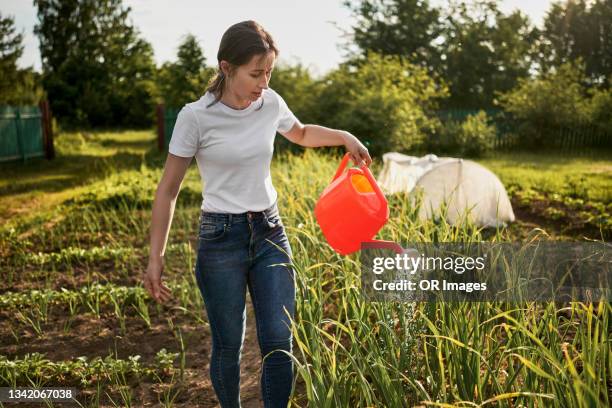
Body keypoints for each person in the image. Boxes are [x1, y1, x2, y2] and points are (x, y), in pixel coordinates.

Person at [143, 20, 371, 408]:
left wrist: (345, 137)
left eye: (269, 72)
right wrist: (155, 257)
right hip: (220, 240)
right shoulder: (195, 117)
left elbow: (299, 133)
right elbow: (168, 191)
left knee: (280, 342)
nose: (263, 82)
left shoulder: (270, 103)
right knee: (229, 345)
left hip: (269, 232)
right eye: (255, 73)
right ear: (225, 67)